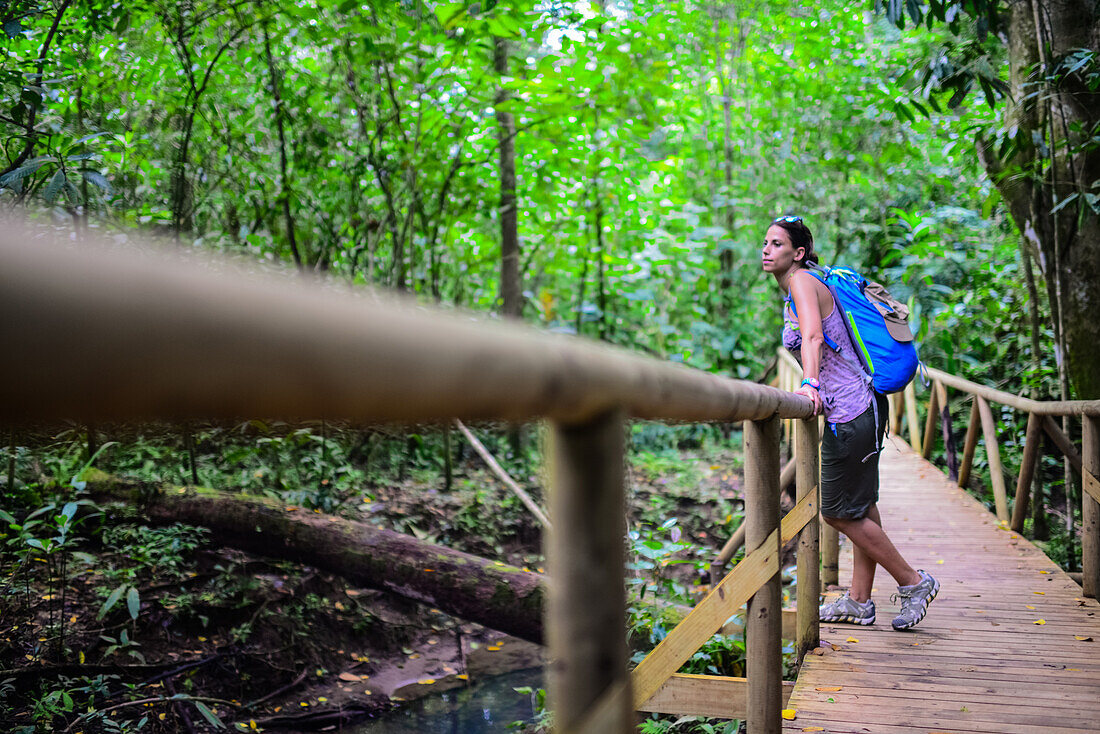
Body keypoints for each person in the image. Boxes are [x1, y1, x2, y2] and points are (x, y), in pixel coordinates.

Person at [761, 215, 938, 631]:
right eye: (766, 243)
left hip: (851, 413)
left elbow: (814, 337)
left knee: (837, 512)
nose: (767, 250)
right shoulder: (800, 285)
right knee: (862, 505)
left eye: (777, 244)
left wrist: (809, 383)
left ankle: (914, 582)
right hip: (864, 407)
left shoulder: (802, 282)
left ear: (798, 253)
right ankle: (859, 601)